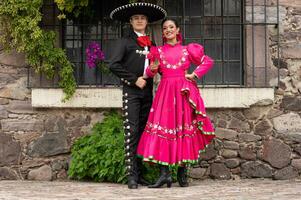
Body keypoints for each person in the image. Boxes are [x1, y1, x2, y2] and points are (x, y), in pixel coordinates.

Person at [136, 18, 216, 188]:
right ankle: (164, 174)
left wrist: (194, 75)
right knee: (162, 129)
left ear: (178, 30)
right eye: (165, 28)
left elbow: (207, 61)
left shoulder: (188, 50)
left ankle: (181, 173)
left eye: (171, 27)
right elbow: (149, 73)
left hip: (182, 93)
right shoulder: (157, 51)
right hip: (165, 94)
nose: (168, 30)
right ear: (163, 32)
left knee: (182, 129)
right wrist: (153, 66)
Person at [109, 3, 167, 189]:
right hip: (132, 92)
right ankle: (131, 176)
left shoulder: (152, 44)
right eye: (136, 18)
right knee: (132, 132)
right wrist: (134, 80)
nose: (139, 21)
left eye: (142, 18)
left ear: (147, 21)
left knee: (144, 133)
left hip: (147, 93)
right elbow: (114, 65)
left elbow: (159, 65)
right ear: (131, 22)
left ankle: (140, 174)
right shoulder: (124, 42)